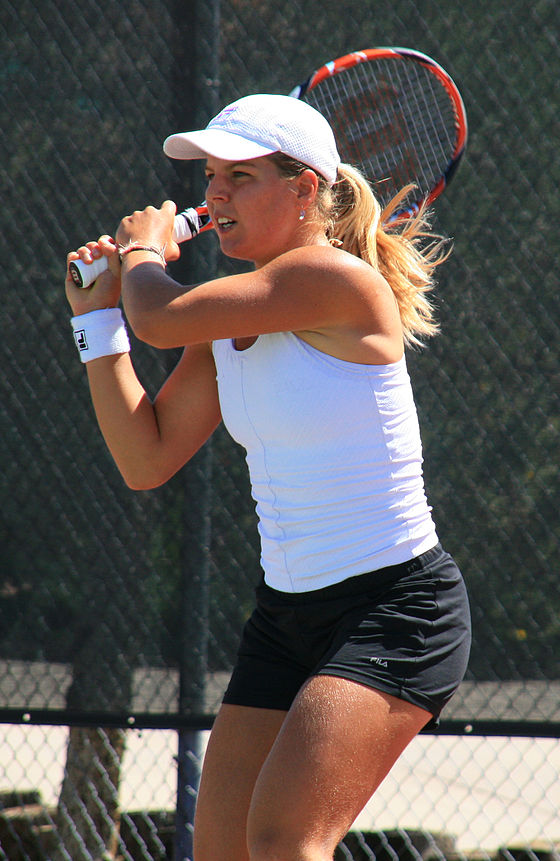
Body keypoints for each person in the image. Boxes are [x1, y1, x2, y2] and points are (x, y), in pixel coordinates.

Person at [65, 94, 471, 861]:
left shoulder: (334, 280)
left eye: (239, 177)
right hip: (286, 619)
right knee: (223, 851)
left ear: (305, 190)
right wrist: (98, 324)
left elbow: (158, 316)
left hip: (397, 611)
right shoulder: (229, 320)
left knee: (285, 841)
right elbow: (145, 456)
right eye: (212, 177)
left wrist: (144, 252)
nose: (214, 194)